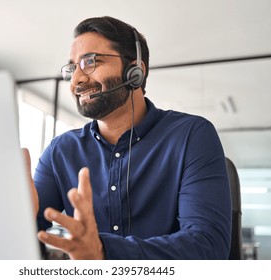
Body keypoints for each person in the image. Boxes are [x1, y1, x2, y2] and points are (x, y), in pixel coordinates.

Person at [28, 16, 231, 260]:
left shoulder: (191, 135)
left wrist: (103, 251)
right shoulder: (60, 151)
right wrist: (19, 219)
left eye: (90, 62)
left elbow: (208, 245)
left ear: (136, 71)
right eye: (72, 68)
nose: (77, 80)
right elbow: (26, 236)